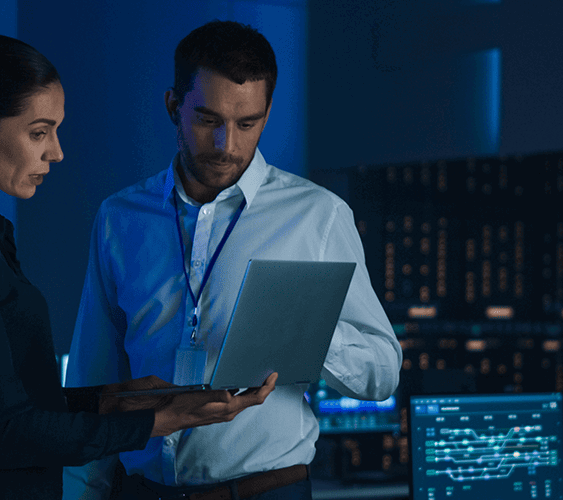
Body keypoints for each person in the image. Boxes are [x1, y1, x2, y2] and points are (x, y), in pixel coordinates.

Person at [0, 34, 277, 500]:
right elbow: (2, 434)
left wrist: (114, 400)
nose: (56, 152)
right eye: (38, 132)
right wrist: (160, 421)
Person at [63, 21, 401, 500]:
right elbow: (93, 378)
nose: (227, 145)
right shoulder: (120, 218)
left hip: (268, 492)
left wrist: (305, 331)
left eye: (247, 124)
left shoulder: (319, 216)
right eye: (207, 121)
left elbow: (383, 370)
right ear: (172, 107)